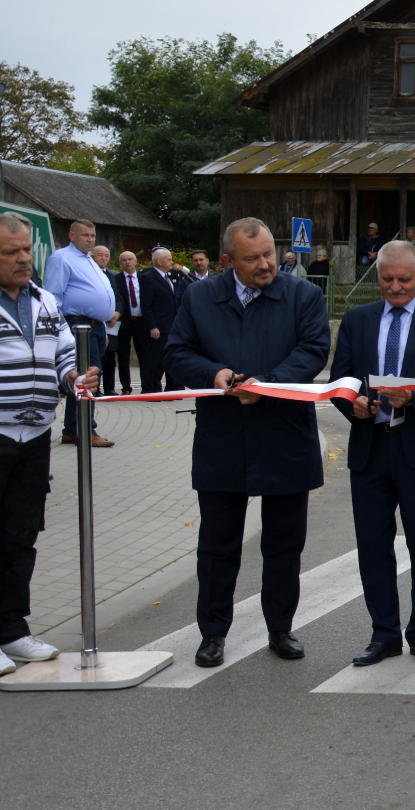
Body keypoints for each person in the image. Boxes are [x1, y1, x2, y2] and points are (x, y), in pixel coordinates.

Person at [164, 217, 331, 668]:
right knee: (218, 546)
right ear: (226, 262)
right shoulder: (200, 296)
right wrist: (211, 373)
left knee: (283, 543)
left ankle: (280, 628)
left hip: (283, 433)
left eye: (269, 255)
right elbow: (178, 351)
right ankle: (213, 634)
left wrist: (270, 384)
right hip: (224, 436)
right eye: (252, 258)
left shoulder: (303, 295)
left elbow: (314, 349)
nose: (265, 265)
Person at [330, 240, 415, 666]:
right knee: (373, 545)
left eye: (404, 279)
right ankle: (383, 633)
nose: (395, 287)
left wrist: (414, 398)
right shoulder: (356, 319)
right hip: (370, 446)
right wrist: (350, 403)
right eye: (387, 279)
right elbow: (342, 379)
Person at [0, 213, 100, 674]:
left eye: (26, 251)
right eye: (11, 253)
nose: (24, 259)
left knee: (21, 533)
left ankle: (11, 631)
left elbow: (63, 351)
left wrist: (74, 376)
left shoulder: (44, 301)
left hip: (35, 434)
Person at [42, 220, 116, 448]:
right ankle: (86, 430)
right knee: (89, 377)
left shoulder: (88, 260)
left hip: (94, 326)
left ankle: (72, 430)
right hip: (77, 326)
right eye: (85, 235)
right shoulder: (61, 257)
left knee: (87, 375)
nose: (90, 239)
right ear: (71, 235)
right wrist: (61, 333)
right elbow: (53, 297)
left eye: (93, 235)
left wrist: (102, 327)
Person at [137, 248, 183, 392]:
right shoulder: (148, 277)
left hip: (169, 325)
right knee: (152, 359)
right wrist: (152, 326)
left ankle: (164, 387)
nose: (171, 262)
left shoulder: (169, 276)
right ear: (159, 261)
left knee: (165, 359)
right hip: (157, 326)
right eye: (169, 259)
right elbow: (146, 304)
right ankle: (149, 389)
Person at [98, 247, 129, 396]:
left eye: (106, 256)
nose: (104, 258)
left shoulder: (112, 276)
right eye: (100, 255)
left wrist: (117, 313)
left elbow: (118, 297)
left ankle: (109, 388)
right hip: (97, 321)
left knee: (110, 357)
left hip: (111, 324)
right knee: (97, 357)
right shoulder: (89, 274)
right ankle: (95, 388)